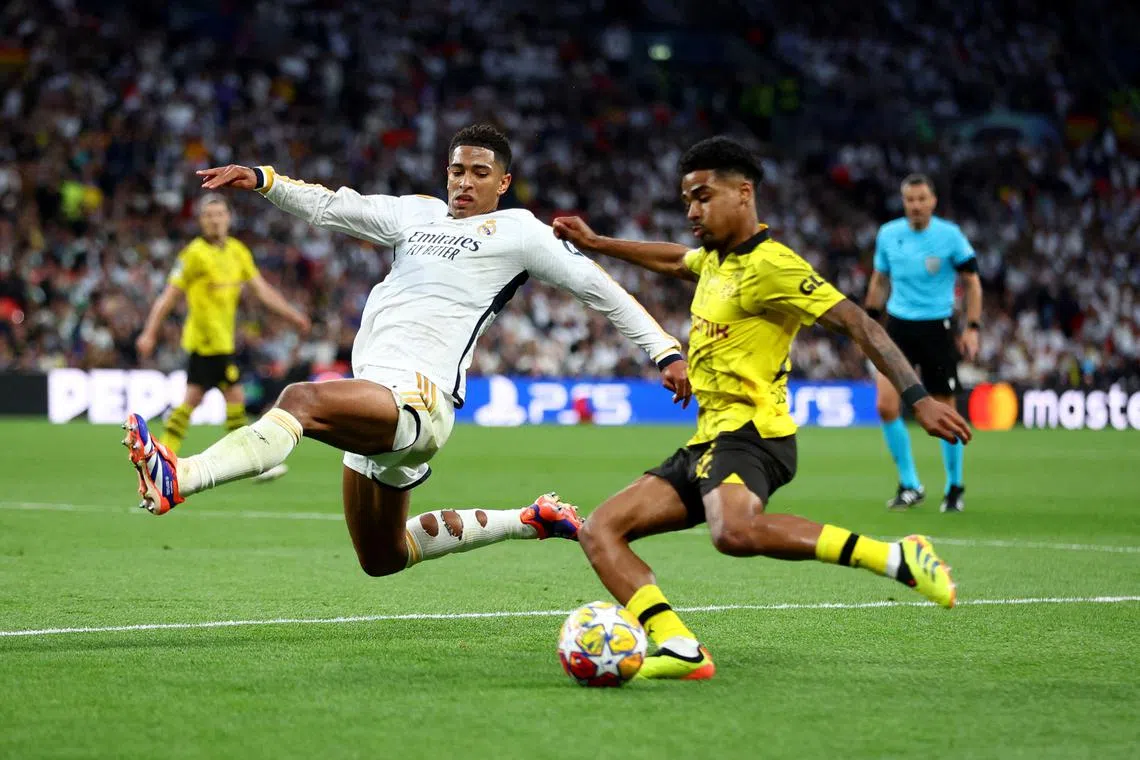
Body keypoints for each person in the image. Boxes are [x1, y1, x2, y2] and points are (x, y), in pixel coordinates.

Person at [121, 123, 691, 579]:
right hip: (376, 399)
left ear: (503, 183)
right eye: (457, 170)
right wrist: (264, 179)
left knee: (301, 399)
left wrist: (664, 351)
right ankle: (530, 519)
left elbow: (599, 289)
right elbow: (331, 206)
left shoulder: (520, 231)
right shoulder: (415, 214)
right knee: (384, 558)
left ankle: (183, 476)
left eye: (479, 173)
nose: (464, 183)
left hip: (419, 399)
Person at [552, 137, 971, 681]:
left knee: (733, 532)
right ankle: (680, 648)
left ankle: (897, 557)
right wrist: (598, 243)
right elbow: (676, 260)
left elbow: (858, 323)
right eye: (686, 200)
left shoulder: (773, 266)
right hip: (708, 440)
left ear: (744, 193)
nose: (692, 211)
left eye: (703, 197)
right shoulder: (717, 260)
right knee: (599, 529)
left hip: (755, 434)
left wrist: (919, 399)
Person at [136, 194, 311, 483]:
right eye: (208, 215)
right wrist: (150, 331)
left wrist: (292, 315)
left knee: (203, 399)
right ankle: (242, 461)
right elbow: (168, 298)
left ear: (229, 218)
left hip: (224, 342)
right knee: (224, 397)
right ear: (201, 221)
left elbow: (262, 291)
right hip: (205, 342)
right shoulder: (192, 255)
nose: (214, 220)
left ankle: (162, 459)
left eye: (219, 214)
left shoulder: (238, 252)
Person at [863, 174, 983, 512]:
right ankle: (910, 484)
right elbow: (879, 279)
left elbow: (972, 282)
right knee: (885, 406)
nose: (916, 205)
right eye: (910, 200)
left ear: (933, 201)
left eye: (921, 199)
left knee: (945, 410)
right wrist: (868, 325)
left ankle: (954, 486)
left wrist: (972, 326)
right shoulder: (888, 234)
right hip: (897, 327)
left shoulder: (950, 236)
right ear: (904, 203)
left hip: (937, 328)